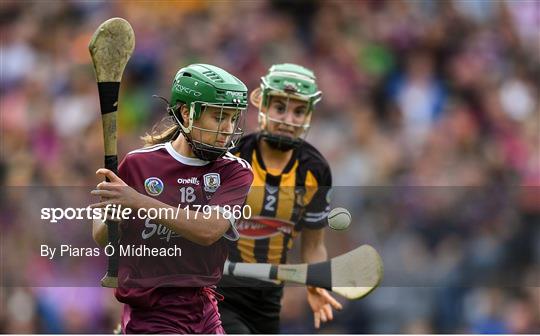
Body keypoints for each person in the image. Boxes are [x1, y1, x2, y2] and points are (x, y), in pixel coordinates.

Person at [91, 64, 254, 334]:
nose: (228, 129)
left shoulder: (234, 171)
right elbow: (102, 236)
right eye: (219, 117)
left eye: (233, 119)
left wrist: (136, 201)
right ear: (186, 113)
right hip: (153, 314)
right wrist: (112, 222)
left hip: (204, 308)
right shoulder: (137, 164)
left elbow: (209, 230)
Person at [217, 63, 342, 333]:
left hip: (268, 298)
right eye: (280, 108)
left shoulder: (315, 170)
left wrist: (315, 282)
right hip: (218, 289)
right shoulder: (232, 157)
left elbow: (313, 245)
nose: (288, 120)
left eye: (298, 111)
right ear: (262, 106)